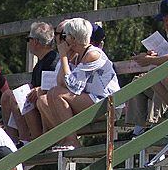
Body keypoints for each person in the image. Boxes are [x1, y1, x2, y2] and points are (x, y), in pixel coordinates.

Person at [36, 17, 121, 151]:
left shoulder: (93, 54)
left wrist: (63, 55)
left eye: (65, 36)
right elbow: (60, 83)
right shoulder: (78, 56)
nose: (63, 40)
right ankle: (64, 138)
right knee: (51, 94)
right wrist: (67, 58)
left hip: (110, 105)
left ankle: (72, 141)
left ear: (73, 39)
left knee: (57, 93)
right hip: (94, 101)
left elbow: (72, 87)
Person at [132, 0, 168, 122]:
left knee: (164, 73)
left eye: (166, 20)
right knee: (155, 74)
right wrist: (156, 57)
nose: (165, 25)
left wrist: (151, 60)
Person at [3, 22, 58, 144]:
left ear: (35, 41)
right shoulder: (40, 64)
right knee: (7, 95)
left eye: (28, 39)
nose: (27, 43)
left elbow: (55, 86)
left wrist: (38, 89)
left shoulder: (53, 61)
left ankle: (31, 140)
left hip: (48, 105)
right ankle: (15, 142)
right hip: (38, 103)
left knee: (20, 97)